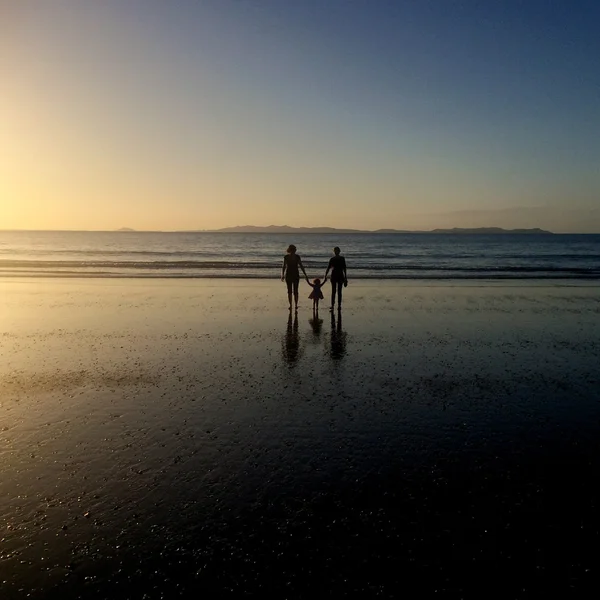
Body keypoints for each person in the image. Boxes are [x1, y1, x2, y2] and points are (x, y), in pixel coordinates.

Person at [281, 244, 308, 311]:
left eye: (294, 250)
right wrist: (282, 275)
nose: (294, 251)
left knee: (296, 291)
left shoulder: (297, 257)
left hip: (296, 274)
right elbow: (284, 266)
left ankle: (296, 304)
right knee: (289, 291)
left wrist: (305, 274)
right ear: (290, 250)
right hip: (288, 275)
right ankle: (290, 305)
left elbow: (301, 265)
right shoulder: (286, 257)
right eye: (293, 250)